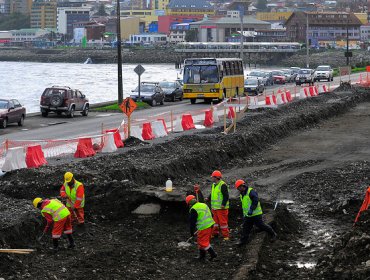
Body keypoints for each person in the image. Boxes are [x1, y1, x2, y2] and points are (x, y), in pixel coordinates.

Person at [234, 179, 277, 246]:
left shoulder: (251, 191)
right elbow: (244, 205)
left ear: (242, 186)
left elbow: (255, 201)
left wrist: (251, 209)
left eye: (238, 188)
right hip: (248, 215)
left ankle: (273, 234)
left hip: (256, 214)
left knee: (261, 225)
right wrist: (245, 214)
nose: (238, 190)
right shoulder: (242, 194)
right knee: (246, 228)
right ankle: (243, 241)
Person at [186, 195, 217, 261]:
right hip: (211, 225)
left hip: (204, 227)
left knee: (203, 242)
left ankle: (213, 254)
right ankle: (202, 256)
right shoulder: (203, 204)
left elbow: (192, 223)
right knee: (202, 241)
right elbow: (212, 215)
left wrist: (192, 233)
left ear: (190, 203)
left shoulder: (193, 209)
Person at [208, 170, 230, 240]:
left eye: (213, 177)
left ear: (216, 177)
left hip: (221, 208)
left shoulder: (222, 185)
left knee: (223, 223)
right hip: (214, 207)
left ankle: (226, 236)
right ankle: (215, 233)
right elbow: (212, 193)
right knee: (215, 222)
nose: (212, 178)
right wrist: (208, 198)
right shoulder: (214, 185)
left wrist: (223, 204)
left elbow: (226, 196)